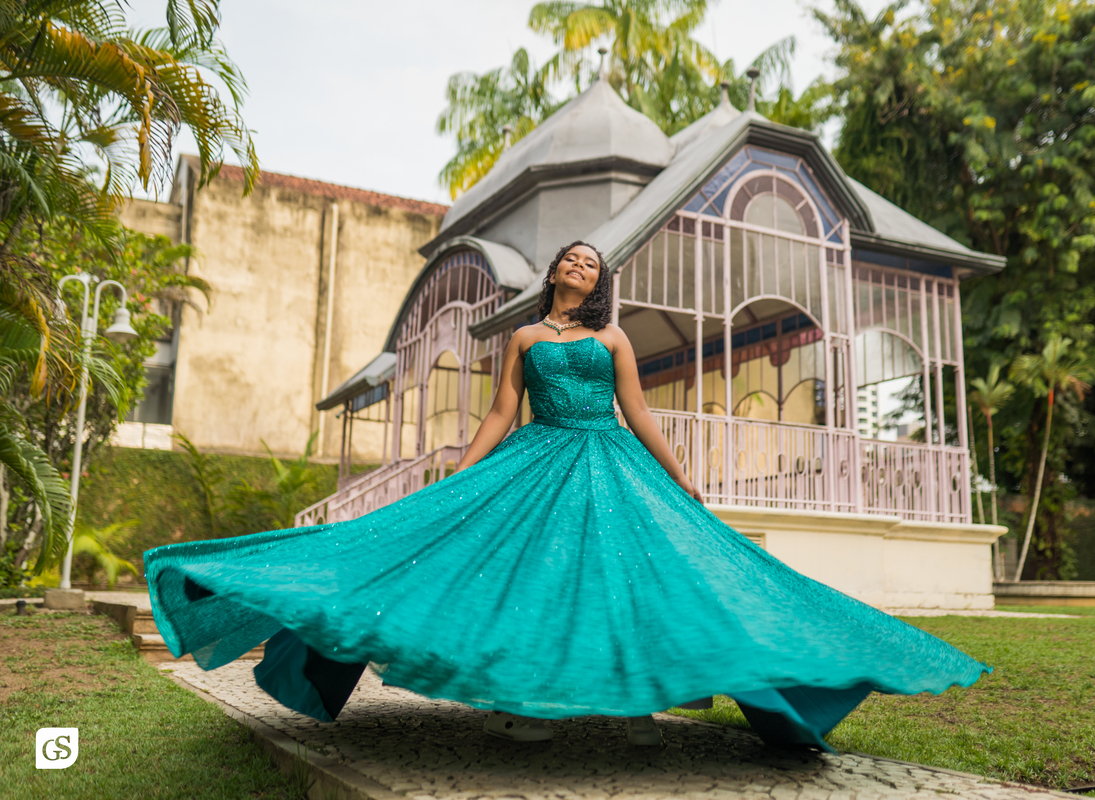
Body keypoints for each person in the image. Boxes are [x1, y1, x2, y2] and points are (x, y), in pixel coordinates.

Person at [143, 240, 991, 751]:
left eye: (593, 262)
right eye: (573, 258)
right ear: (554, 272)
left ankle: (635, 707)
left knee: (644, 583)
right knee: (537, 587)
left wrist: (682, 477)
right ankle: (538, 701)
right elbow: (503, 409)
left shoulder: (612, 335)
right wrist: (466, 475)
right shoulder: (521, 336)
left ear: (599, 282)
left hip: (611, 463)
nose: (582, 265)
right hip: (537, 463)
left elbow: (639, 411)